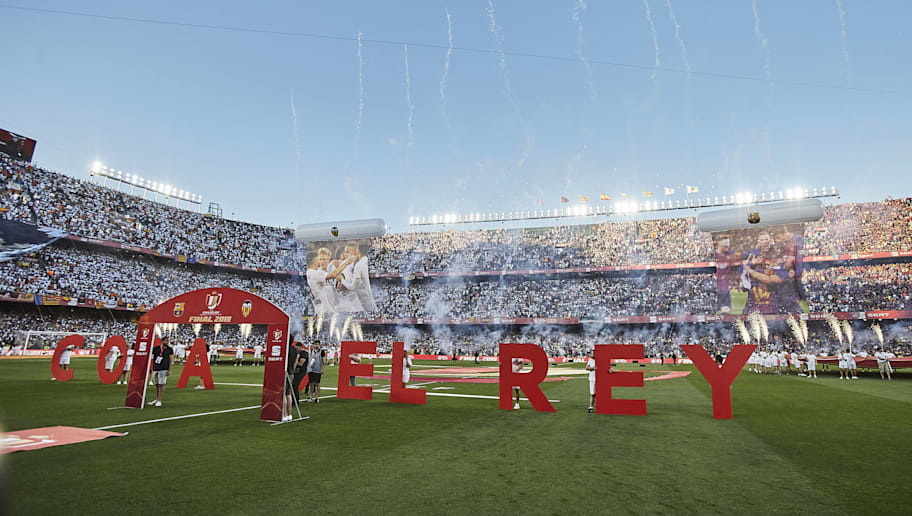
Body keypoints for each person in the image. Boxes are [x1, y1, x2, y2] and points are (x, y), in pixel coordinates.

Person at [149, 336, 173, 407]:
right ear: (162, 341)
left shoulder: (169, 349)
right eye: (166, 340)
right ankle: (156, 399)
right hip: (156, 368)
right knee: (156, 384)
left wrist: (169, 369)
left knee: (161, 384)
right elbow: (151, 356)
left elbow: (171, 360)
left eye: (168, 340)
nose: (167, 342)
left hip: (164, 368)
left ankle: (159, 400)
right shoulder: (156, 348)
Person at [283, 337, 299, 422]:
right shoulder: (295, 350)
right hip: (291, 372)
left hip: (285, 372)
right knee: (288, 393)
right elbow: (296, 362)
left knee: (284, 394)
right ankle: (289, 414)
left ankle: (284, 414)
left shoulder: (285, 348)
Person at [291, 341, 309, 406]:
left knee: (295, 385)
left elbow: (301, 363)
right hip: (295, 371)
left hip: (301, 371)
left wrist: (294, 363)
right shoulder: (297, 353)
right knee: (293, 385)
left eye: (297, 348)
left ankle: (295, 401)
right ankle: (293, 400)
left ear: (300, 347)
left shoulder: (304, 353)